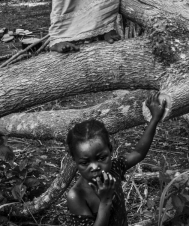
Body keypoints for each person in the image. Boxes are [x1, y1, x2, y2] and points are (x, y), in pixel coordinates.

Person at [65, 93, 166, 226]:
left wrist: (154, 119)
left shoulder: (114, 168)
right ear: (75, 161)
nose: (95, 167)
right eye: (85, 162)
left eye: (101, 158)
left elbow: (138, 152)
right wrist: (105, 201)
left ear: (110, 149)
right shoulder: (77, 196)